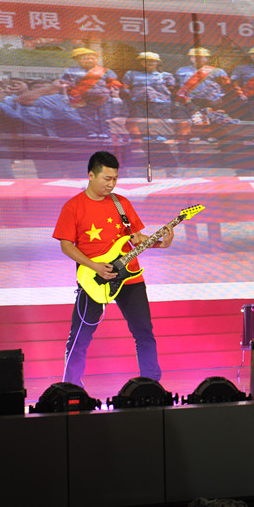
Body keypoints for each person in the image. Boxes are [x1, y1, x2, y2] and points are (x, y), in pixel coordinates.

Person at [52, 151, 174, 387]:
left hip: (130, 278)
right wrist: (94, 266)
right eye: (106, 178)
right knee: (79, 337)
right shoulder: (73, 206)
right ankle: (70, 388)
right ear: (91, 175)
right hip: (93, 278)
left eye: (115, 179)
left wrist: (162, 243)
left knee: (144, 333)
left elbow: (137, 239)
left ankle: (152, 385)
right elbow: (66, 246)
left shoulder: (121, 203)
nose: (111, 184)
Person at [60, 47, 122, 137]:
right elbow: (65, 84)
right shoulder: (71, 71)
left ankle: (105, 132)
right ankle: (91, 132)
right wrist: (65, 95)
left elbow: (114, 83)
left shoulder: (106, 71)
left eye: (92, 58)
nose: (89, 60)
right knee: (86, 116)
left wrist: (116, 96)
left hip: (103, 98)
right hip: (82, 98)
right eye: (85, 59)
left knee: (106, 116)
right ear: (78, 60)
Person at [122, 51, 175, 141]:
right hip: (138, 101)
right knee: (141, 119)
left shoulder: (166, 75)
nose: (149, 63)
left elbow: (171, 88)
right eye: (145, 61)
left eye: (152, 61)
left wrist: (161, 96)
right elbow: (125, 86)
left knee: (157, 119)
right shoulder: (131, 74)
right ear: (141, 62)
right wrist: (131, 95)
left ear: (157, 63)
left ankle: (159, 135)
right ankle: (145, 135)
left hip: (159, 102)